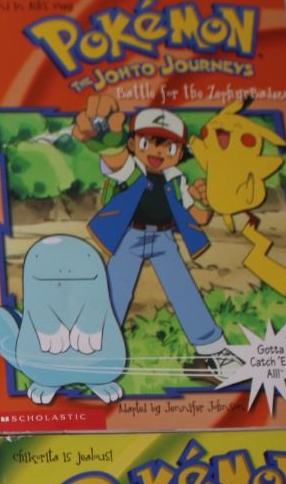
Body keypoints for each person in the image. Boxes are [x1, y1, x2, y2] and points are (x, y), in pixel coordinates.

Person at [73, 97, 237, 381]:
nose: (158, 151)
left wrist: (205, 201)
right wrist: (104, 138)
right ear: (132, 143)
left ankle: (214, 351)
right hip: (130, 236)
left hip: (164, 239)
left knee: (184, 291)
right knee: (115, 291)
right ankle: (97, 351)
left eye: (169, 147)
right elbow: (114, 159)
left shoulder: (176, 179)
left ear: (179, 153)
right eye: (148, 142)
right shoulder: (132, 169)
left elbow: (198, 217)